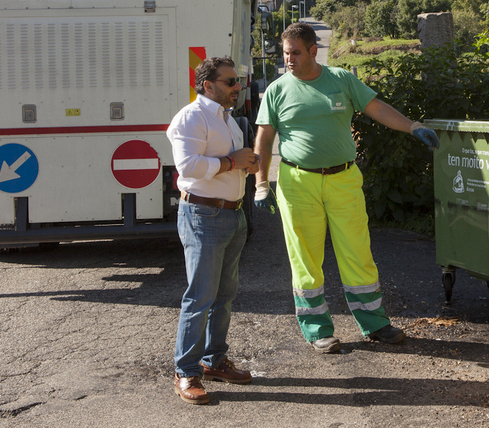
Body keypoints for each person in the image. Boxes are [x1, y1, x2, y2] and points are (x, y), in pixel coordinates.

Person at [253, 22, 439, 354]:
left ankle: (375, 323)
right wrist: (261, 184)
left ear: (313, 51)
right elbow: (264, 139)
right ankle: (317, 330)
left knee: (357, 252)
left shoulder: (341, 80)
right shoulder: (277, 91)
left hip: (343, 179)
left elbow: (377, 108)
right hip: (297, 183)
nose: (289, 59)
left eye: (296, 53)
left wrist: (413, 127)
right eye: (285, 54)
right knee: (305, 258)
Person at [167, 56, 261, 404]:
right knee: (201, 297)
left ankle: (214, 361)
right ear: (208, 85)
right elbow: (187, 166)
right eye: (230, 82)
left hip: (232, 215)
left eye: (237, 81)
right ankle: (186, 372)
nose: (237, 87)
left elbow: (230, 162)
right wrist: (233, 162)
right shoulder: (191, 117)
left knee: (224, 295)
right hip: (203, 215)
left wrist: (248, 164)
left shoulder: (225, 117)